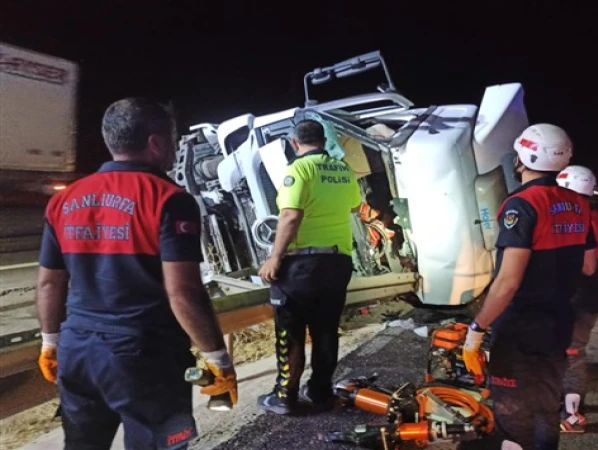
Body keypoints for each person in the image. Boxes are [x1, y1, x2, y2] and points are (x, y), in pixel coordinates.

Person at [36, 98, 238, 450]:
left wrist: (51, 343)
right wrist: (217, 358)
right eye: (172, 139)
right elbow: (184, 293)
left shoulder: (64, 200)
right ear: (156, 142)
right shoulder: (168, 199)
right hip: (145, 356)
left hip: (77, 352)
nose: (174, 149)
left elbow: (50, 282)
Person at [461, 124, 598, 450]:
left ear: (521, 158)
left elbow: (508, 282)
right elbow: (587, 265)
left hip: (521, 326)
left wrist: (478, 327)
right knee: (545, 405)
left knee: (512, 412)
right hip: (559, 322)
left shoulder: (521, 204)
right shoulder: (580, 205)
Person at [257, 119, 361, 415]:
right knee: (326, 330)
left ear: (294, 143)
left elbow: (290, 215)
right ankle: (320, 391)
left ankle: (284, 396)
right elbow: (353, 205)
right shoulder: (343, 170)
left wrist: (275, 257)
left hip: (301, 265)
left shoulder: (298, 169)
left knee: (290, 332)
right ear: (325, 140)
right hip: (338, 262)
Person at [556, 165, 598, 433]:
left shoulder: (580, 218)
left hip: (577, 298)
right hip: (588, 296)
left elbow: (585, 265)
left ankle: (573, 415)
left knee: (572, 353)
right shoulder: (594, 215)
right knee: (568, 351)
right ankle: (565, 406)